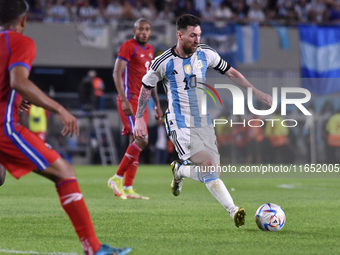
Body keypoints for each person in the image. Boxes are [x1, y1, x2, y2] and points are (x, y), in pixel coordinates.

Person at [0, 1, 131, 254]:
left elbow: (10, 85)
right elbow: (18, 81)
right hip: (5, 128)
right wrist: (59, 108)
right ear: (24, 20)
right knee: (65, 172)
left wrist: (14, 100)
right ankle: (94, 249)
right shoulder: (21, 42)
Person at [133, 14, 272, 228]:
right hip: (179, 123)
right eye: (192, 36)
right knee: (207, 163)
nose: (197, 40)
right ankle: (233, 210)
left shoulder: (206, 53)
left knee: (213, 171)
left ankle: (180, 171)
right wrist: (139, 119)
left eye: (199, 35)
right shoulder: (164, 62)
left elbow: (231, 72)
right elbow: (145, 88)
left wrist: (255, 90)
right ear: (179, 35)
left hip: (204, 121)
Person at [107, 18, 162, 200]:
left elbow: (151, 79)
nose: (144, 32)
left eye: (147, 29)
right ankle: (116, 178)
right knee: (142, 139)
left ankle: (129, 187)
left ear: (150, 32)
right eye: (140, 29)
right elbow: (116, 72)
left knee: (136, 143)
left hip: (143, 103)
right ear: (134, 30)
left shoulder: (150, 50)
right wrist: (123, 100)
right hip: (130, 101)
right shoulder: (128, 46)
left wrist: (157, 105)